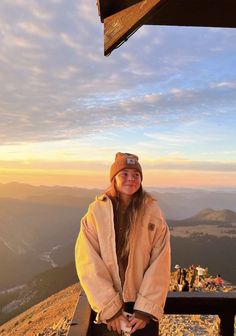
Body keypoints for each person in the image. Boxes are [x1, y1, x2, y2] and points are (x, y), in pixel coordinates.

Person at [75, 152, 171, 335]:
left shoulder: (153, 211)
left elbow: (160, 261)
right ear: (114, 178)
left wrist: (145, 310)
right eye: (124, 173)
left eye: (136, 174)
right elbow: (87, 261)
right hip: (110, 310)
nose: (131, 179)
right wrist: (111, 310)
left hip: (141, 312)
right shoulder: (96, 212)